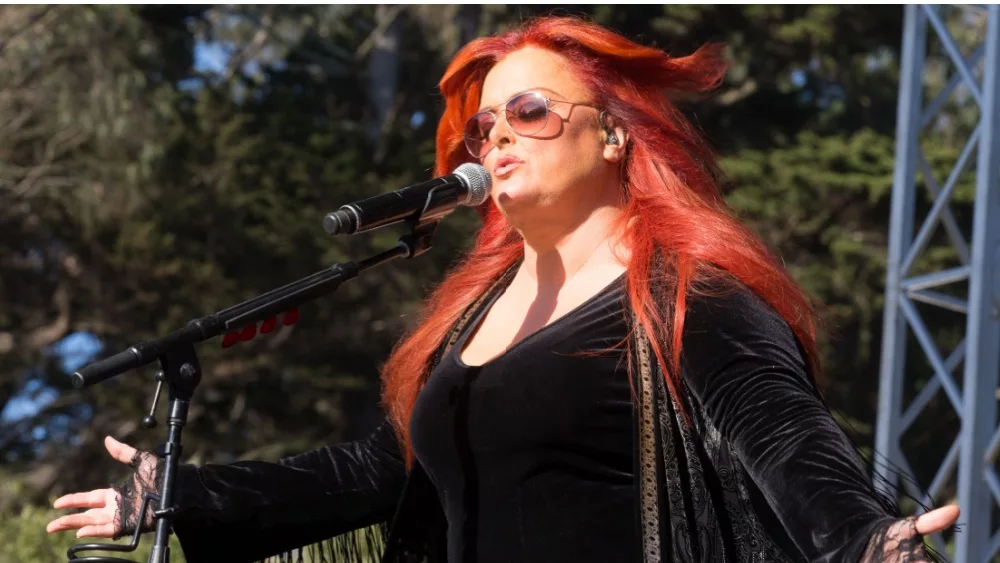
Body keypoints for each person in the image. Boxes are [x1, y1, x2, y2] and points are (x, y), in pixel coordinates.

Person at [47, 15, 958, 563]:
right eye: (485, 126)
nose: (498, 139)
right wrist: (182, 493)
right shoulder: (471, 317)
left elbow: (786, 439)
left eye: (530, 112)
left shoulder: (687, 292)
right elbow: (371, 472)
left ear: (612, 139)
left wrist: (867, 541)